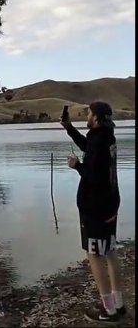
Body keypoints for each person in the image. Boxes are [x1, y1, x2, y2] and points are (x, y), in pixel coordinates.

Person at [61, 101, 125, 323]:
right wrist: (69, 128)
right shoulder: (106, 137)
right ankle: (118, 303)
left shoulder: (98, 141)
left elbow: (93, 176)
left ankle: (109, 310)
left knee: (94, 254)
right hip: (110, 204)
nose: (86, 116)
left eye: (88, 113)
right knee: (110, 252)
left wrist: (76, 166)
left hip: (96, 208)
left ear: (96, 117)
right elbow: (89, 148)